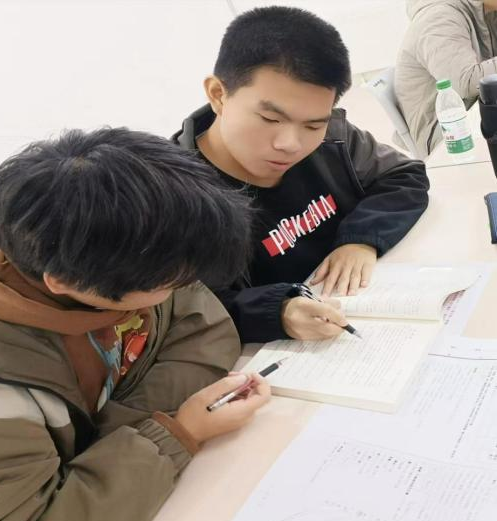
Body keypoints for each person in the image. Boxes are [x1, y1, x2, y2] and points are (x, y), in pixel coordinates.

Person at [0, 128, 270, 521]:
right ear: (62, 282)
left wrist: (125, 436)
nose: (181, 287)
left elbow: (203, 327)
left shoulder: (107, 242)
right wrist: (176, 433)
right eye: (168, 284)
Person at [173, 6, 430, 344]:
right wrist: (277, 311)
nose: (291, 144)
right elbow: (189, 312)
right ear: (218, 95)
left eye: (312, 125)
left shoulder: (334, 138)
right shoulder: (175, 198)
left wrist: (361, 239)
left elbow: (404, 175)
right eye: (270, 119)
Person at [395, 0, 497, 157]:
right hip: (450, 134)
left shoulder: (487, 11)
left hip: (479, 111)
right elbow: (466, 81)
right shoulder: (438, 18)